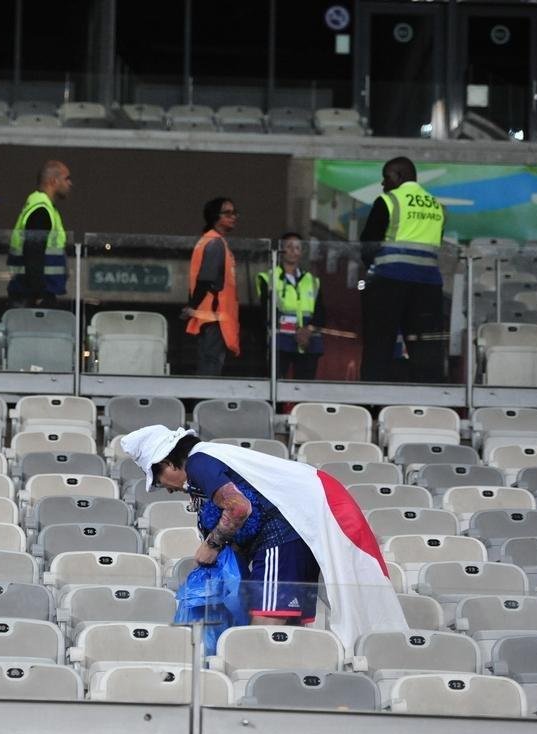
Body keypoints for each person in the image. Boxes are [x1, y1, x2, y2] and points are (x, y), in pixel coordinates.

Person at [121, 425, 405, 646]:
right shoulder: (208, 459)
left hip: (279, 536)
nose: (166, 489)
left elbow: (239, 507)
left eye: (158, 480)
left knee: (266, 623)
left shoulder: (199, 463)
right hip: (292, 536)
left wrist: (211, 545)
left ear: (168, 463)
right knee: (287, 627)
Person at [359, 156, 447, 382]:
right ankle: (428, 407)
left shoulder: (389, 200)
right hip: (428, 286)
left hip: (389, 283)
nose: (382, 183)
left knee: (379, 346)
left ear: (399, 176)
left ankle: (371, 406)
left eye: (386, 177)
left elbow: (368, 243)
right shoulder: (437, 205)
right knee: (425, 350)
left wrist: (371, 270)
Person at [182, 197, 241, 376]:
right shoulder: (215, 243)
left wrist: (193, 306)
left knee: (209, 363)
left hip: (210, 316)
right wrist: (192, 306)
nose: (233, 217)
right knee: (211, 366)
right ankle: (205, 403)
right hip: (213, 317)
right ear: (215, 216)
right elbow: (206, 279)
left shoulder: (210, 241)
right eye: (227, 213)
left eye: (234, 213)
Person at [256, 233, 326, 380]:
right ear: (281, 251)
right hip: (281, 343)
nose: (293, 251)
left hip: (309, 343)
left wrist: (308, 330)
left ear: (301, 252)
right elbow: (268, 312)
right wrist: (297, 330)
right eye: (289, 246)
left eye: (297, 247)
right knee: (276, 389)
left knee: (305, 391)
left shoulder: (312, 280)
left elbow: (321, 313)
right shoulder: (269, 278)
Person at [7, 160, 71, 308]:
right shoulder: (41, 210)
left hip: (29, 291)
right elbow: (33, 253)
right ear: (54, 181)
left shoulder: (40, 206)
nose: (70, 184)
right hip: (34, 295)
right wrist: (39, 293)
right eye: (66, 178)